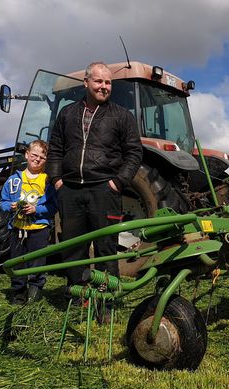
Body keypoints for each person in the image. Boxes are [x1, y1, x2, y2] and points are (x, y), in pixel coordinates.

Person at [46, 61, 142, 321]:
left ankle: (105, 303)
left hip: (104, 190)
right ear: (86, 82)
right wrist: (56, 180)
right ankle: (75, 297)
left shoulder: (122, 116)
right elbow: (55, 149)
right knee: (73, 249)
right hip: (71, 191)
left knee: (106, 249)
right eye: (99, 81)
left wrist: (118, 182)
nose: (104, 86)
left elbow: (134, 152)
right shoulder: (67, 114)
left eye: (108, 82)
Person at [1, 139, 57, 305]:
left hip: (39, 229)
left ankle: (34, 293)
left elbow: (54, 206)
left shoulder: (48, 181)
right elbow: (3, 201)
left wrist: (36, 209)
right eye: (34, 155)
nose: (37, 159)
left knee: (37, 263)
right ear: (26, 154)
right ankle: (18, 294)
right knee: (17, 262)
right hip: (18, 229)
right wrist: (10, 207)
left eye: (42, 157)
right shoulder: (13, 180)